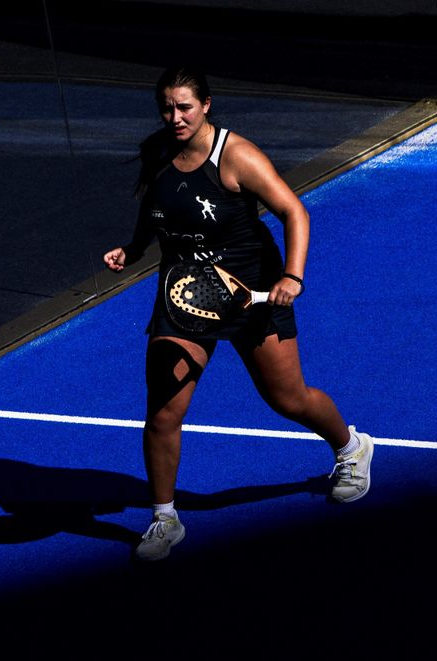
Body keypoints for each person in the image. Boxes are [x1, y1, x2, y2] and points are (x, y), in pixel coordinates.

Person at [104, 66, 372, 562]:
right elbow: (157, 208)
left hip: (250, 293)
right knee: (163, 413)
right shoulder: (160, 150)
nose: (175, 116)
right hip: (185, 294)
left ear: (206, 104)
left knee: (288, 400)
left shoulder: (238, 156)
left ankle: (351, 446)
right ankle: (165, 518)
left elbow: (295, 212)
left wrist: (291, 277)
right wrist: (134, 248)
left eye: (184, 106)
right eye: (167, 107)